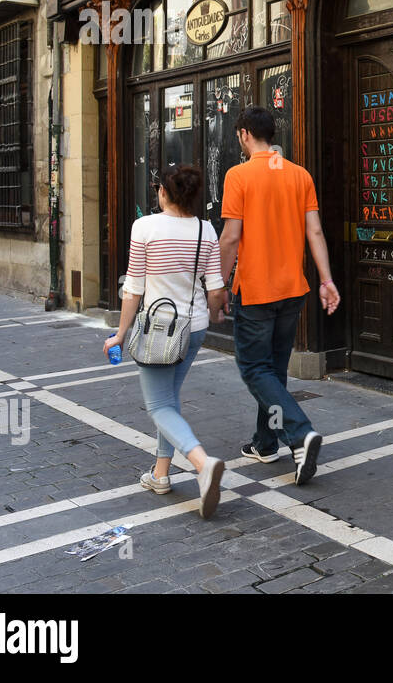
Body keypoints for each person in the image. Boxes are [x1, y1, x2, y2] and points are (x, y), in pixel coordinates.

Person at [219, 107, 340, 485]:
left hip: (256, 290)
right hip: (293, 290)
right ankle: (266, 441)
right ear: (272, 134)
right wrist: (326, 280)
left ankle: (300, 433)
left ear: (244, 134)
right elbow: (314, 232)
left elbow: (231, 237)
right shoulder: (300, 175)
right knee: (272, 369)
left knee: (254, 369)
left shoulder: (238, 175)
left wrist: (218, 285)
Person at [104, 164, 227, 519]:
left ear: (163, 192)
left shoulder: (145, 227)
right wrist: (216, 313)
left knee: (158, 405)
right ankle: (160, 474)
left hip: (159, 330)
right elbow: (215, 288)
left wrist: (121, 333)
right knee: (168, 399)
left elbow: (133, 288)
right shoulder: (205, 229)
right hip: (195, 328)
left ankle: (203, 464)